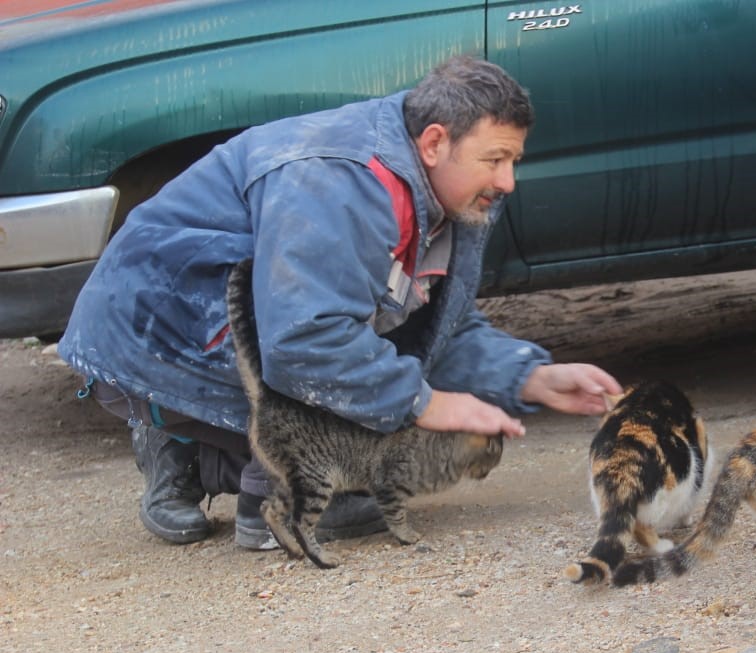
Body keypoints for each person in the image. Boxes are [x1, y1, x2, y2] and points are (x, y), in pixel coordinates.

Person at [58, 55, 621, 550]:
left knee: (400, 415)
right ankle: (213, 458)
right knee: (385, 428)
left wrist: (529, 377)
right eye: (495, 159)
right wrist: (423, 402)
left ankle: (199, 453)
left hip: (237, 334)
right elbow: (303, 340)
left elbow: (430, 325)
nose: (508, 181)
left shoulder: (438, 194)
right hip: (154, 341)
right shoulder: (342, 182)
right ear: (433, 142)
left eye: (514, 161)